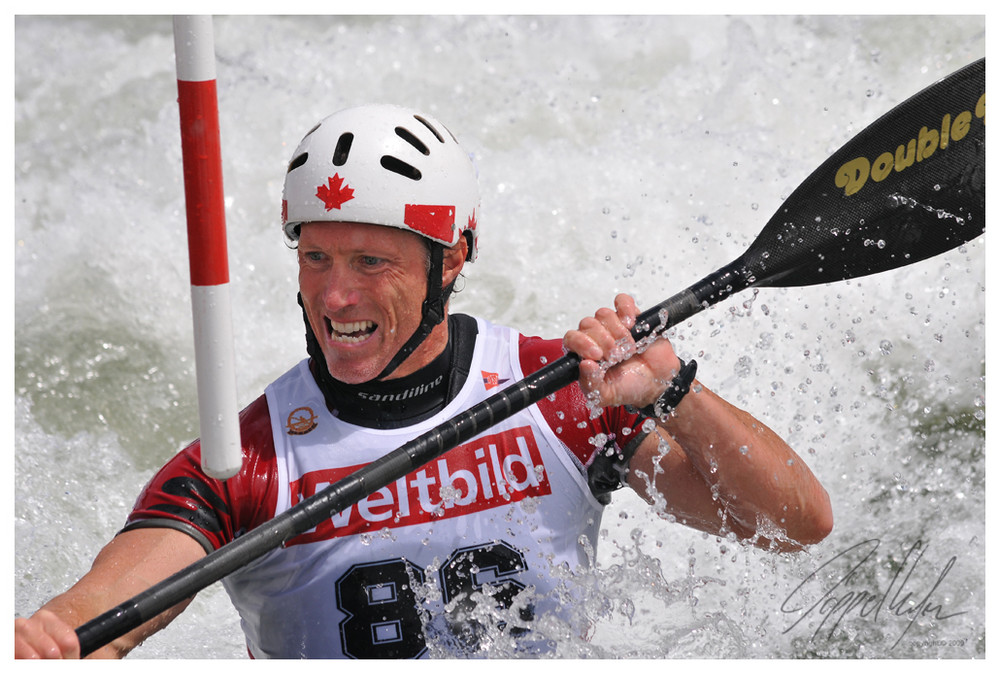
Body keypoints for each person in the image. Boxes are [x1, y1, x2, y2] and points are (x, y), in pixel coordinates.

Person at [14, 104, 833, 659]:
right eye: (316, 258)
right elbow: (99, 617)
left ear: (452, 261)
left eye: (372, 262)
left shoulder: (563, 397)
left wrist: (672, 393)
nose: (336, 296)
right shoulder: (248, 465)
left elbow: (797, 522)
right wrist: (47, 642)